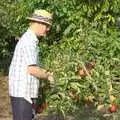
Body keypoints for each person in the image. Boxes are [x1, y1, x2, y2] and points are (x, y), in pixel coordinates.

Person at [8, 9, 54, 120]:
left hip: (24, 94)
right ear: (39, 23)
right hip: (23, 94)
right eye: (47, 26)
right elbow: (32, 69)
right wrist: (48, 75)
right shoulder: (29, 42)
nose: (48, 29)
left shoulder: (30, 40)